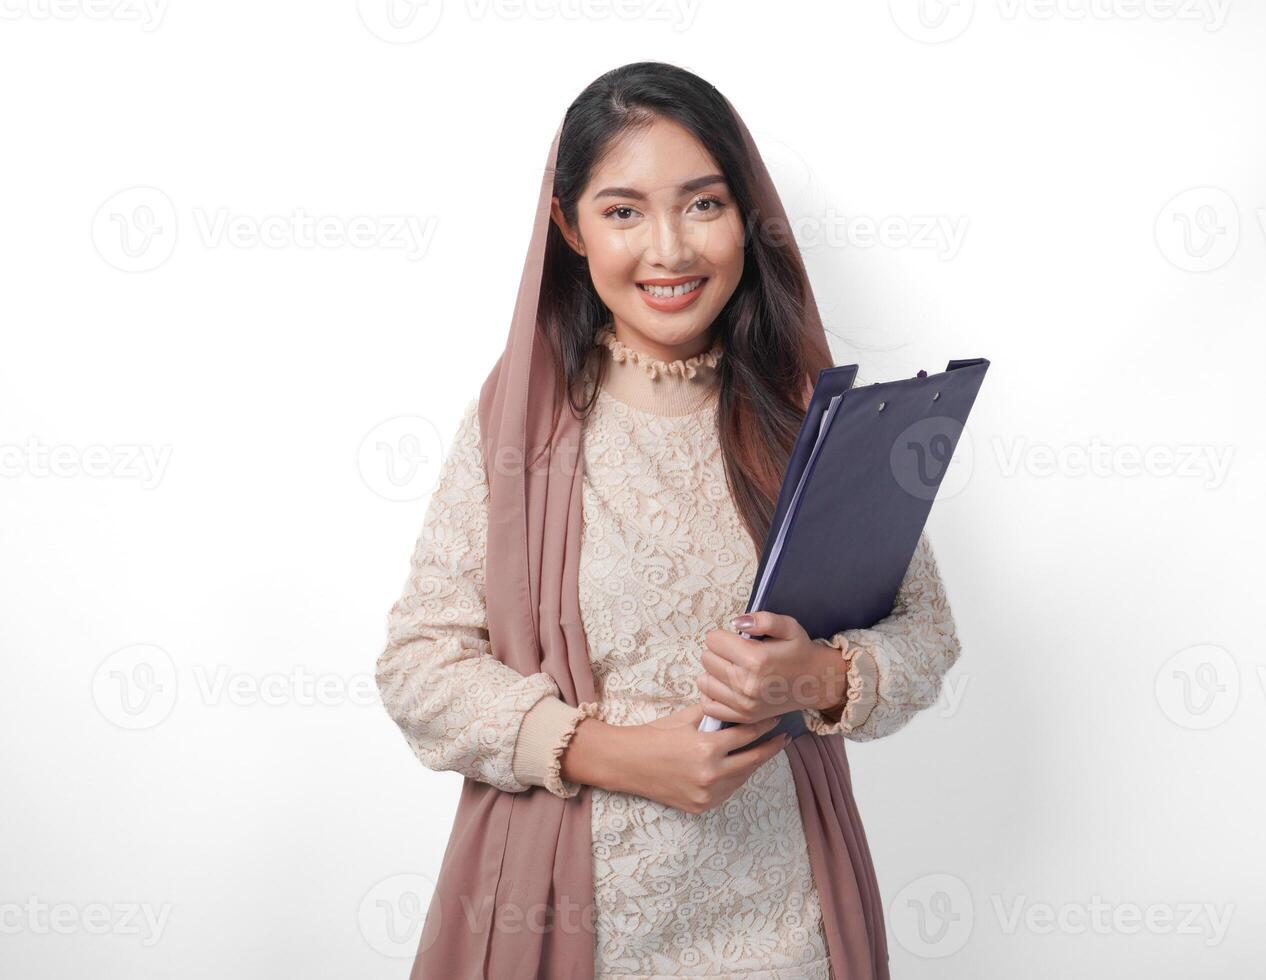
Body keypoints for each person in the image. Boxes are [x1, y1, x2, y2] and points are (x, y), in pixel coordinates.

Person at [375, 61, 963, 979]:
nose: (670, 251)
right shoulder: (520, 422)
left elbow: (925, 630)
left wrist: (816, 677)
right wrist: (609, 753)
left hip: (788, 924)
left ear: (747, 215)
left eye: (702, 204)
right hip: (572, 921)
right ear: (568, 227)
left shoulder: (810, 412)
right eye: (622, 211)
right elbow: (417, 664)